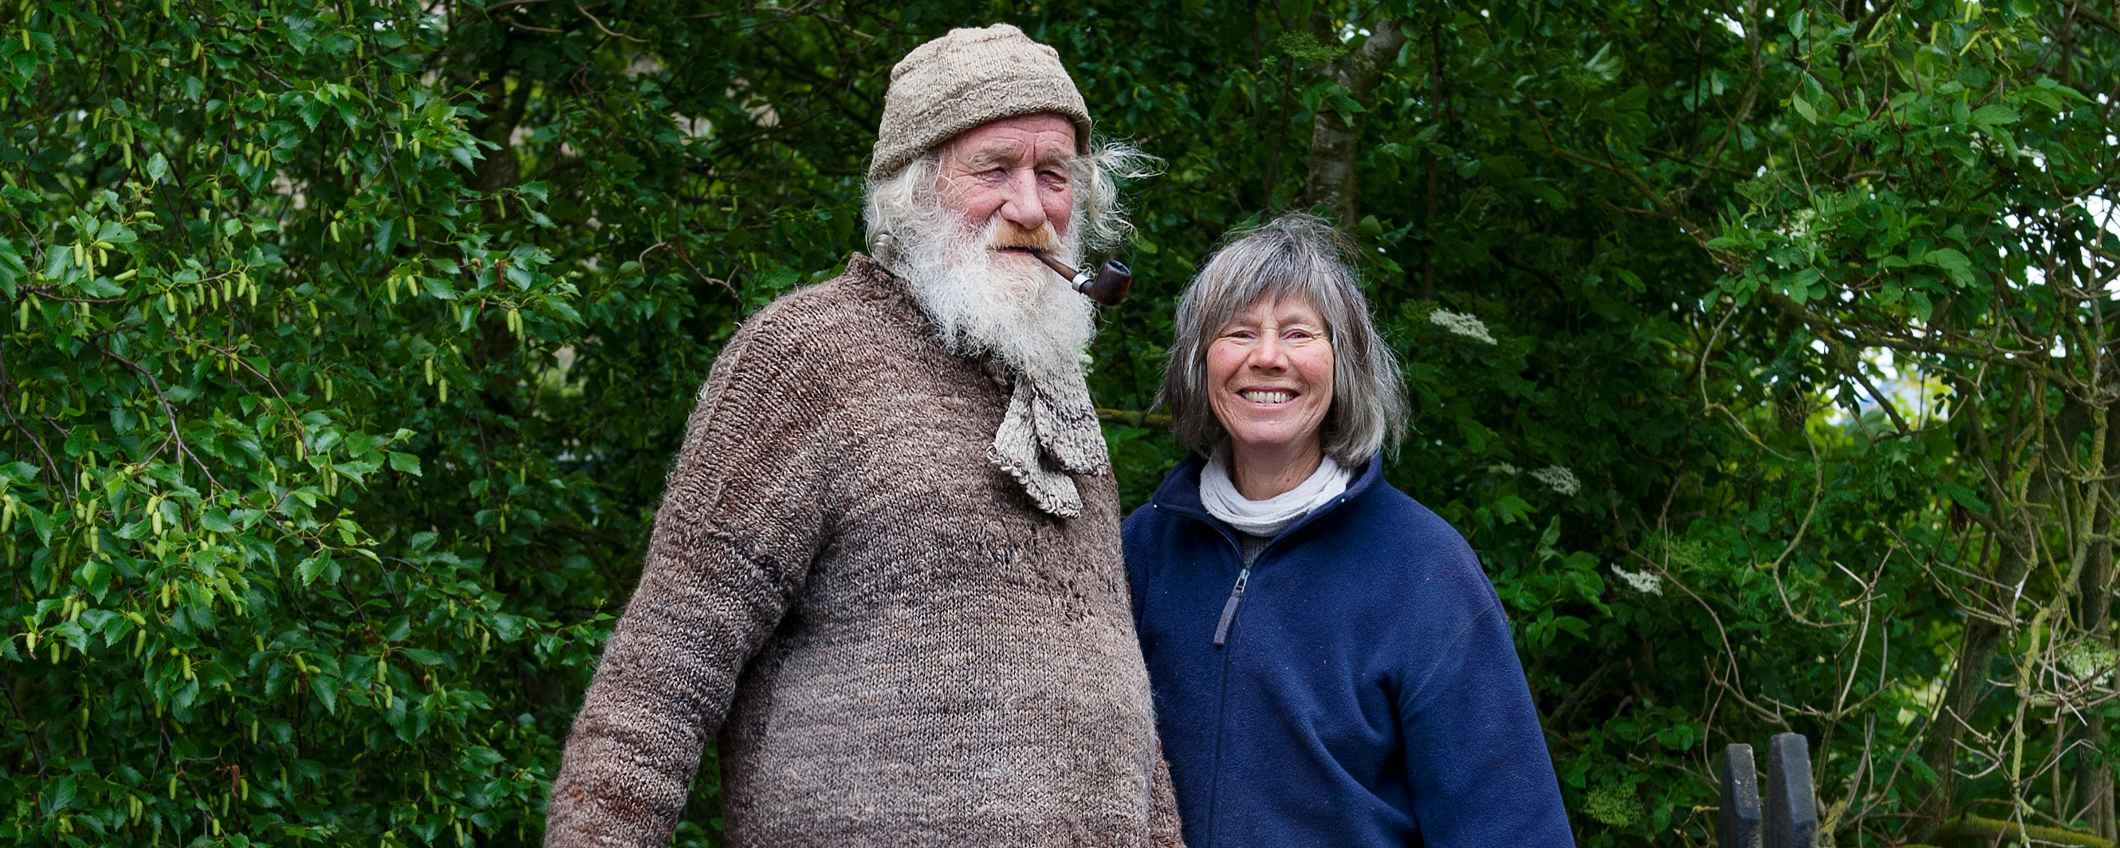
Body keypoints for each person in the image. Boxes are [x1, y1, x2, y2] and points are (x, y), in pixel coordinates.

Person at [544, 23, 1180, 848]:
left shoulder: (1055, 394)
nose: (1031, 208)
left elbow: (1119, 704)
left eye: (1053, 176)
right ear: (910, 188)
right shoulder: (806, 359)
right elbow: (659, 682)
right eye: (993, 170)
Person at [1123, 214, 1573, 847]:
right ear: (1200, 364)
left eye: (1299, 332)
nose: (1268, 357)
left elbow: (1509, 829)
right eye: (1239, 332)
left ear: (1345, 364)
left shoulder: (1425, 569)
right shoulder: (1141, 550)